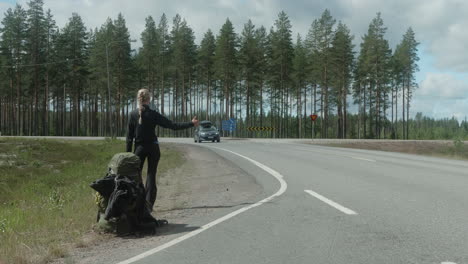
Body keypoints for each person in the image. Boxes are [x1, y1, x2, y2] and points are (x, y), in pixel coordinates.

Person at [126, 88, 199, 212]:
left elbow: (129, 137)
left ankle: (138, 204)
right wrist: (191, 123)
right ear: (149, 99)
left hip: (139, 149)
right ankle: (149, 205)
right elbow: (172, 125)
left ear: (138, 99)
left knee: (136, 177)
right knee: (151, 175)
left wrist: (127, 154)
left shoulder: (132, 114)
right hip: (153, 148)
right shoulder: (154, 114)